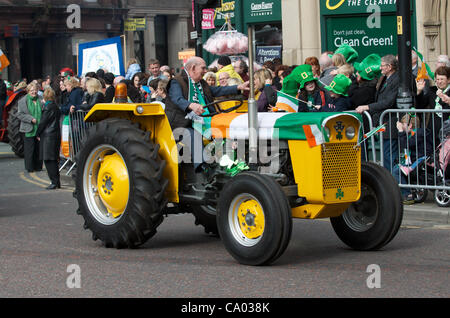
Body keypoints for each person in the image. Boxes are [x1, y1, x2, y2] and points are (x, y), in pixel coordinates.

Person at [165, 56, 249, 171]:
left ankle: (232, 161)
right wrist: (191, 105)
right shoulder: (176, 81)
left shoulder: (201, 83)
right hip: (182, 123)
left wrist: (238, 87)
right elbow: (177, 99)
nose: (205, 71)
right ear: (193, 68)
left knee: (224, 127)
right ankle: (204, 168)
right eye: (203, 68)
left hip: (203, 119)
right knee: (193, 135)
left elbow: (216, 90)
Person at [355, 54, 400, 173]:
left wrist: (367, 107)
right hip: (383, 122)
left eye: (382, 66)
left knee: (389, 156)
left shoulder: (396, 79)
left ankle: (397, 187)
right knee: (386, 156)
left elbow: (389, 102)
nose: (380, 68)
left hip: (391, 121)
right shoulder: (385, 78)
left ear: (389, 66)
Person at [392, 114, 433, 205]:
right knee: (396, 167)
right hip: (417, 160)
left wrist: (400, 131)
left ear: (410, 125)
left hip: (422, 161)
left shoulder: (418, 133)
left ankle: (407, 195)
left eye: (403, 124)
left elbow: (405, 144)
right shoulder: (417, 133)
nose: (402, 126)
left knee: (396, 170)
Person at [36, 87, 61, 189]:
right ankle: (56, 182)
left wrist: (37, 133)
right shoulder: (55, 106)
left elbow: (43, 122)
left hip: (48, 136)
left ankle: (54, 182)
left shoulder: (47, 107)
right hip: (54, 134)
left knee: (48, 160)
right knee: (53, 159)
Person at [17, 82, 43, 173]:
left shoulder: (41, 99)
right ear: (28, 91)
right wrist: (30, 119)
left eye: (35, 90)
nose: (34, 92)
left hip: (40, 128)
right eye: (32, 90)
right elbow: (19, 115)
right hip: (28, 128)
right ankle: (30, 167)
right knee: (30, 149)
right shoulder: (22, 101)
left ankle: (38, 166)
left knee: (38, 148)